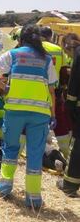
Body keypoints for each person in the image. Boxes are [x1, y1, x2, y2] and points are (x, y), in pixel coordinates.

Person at [0, 24, 57, 208]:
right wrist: (53, 114)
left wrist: (3, 87)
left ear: (21, 39)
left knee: (10, 148)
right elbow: (52, 90)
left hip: (15, 111)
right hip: (40, 114)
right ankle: (33, 197)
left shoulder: (14, 55)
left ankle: (4, 187)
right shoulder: (46, 60)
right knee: (35, 152)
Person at [40, 26, 72, 157]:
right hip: (55, 93)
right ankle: (67, 154)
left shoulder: (32, 48)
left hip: (36, 93)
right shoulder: (57, 49)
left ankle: (42, 150)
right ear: (50, 36)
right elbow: (64, 72)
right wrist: (64, 88)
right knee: (60, 124)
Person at [57, 33, 80, 197]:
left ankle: (69, 185)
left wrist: (69, 105)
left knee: (77, 148)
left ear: (67, 46)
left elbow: (74, 83)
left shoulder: (78, 53)